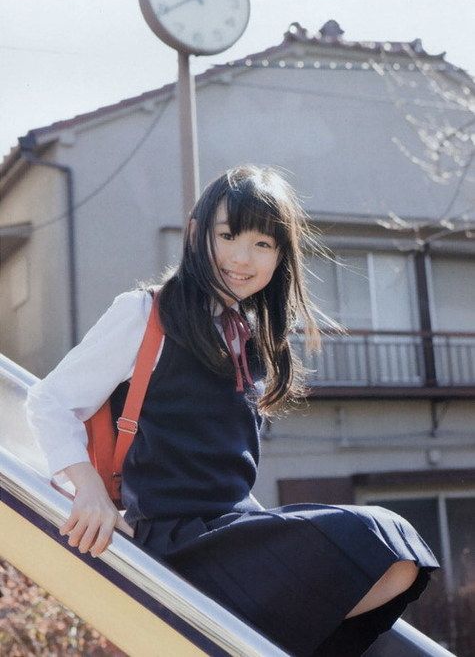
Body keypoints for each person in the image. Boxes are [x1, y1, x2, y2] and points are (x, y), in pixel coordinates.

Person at [26, 165, 440, 656]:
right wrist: (89, 491)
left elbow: (228, 476)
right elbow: (50, 401)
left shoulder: (249, 336)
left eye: (263, 244)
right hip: (176, 541)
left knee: (395, 553)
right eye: (228, 236)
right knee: (376, 535)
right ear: (197, 234)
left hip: (234, 533)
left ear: (281, 255)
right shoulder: (145, 314)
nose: (243, 259)